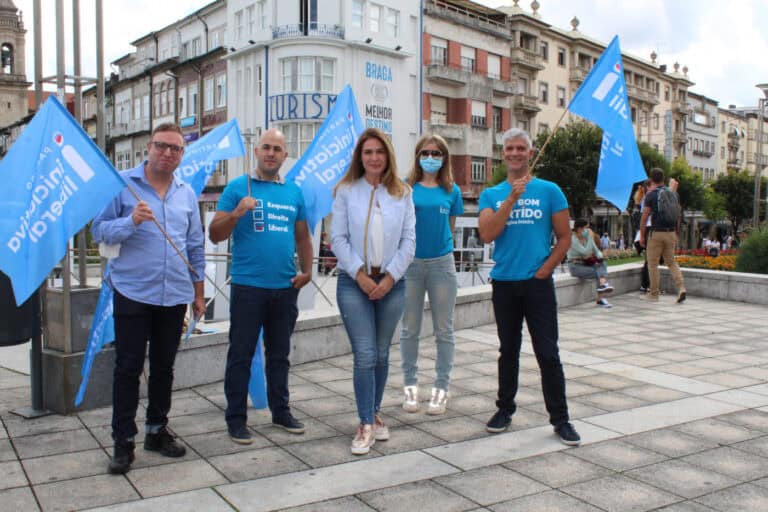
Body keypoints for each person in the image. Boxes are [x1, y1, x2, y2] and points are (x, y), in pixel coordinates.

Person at [92, 123, 206, 474]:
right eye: (161, 146)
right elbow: (99, 230)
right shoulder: (123, 185)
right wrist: (130, 222)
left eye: (176, 148)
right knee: (127, 367)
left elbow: (195, 245)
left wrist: (198, 293)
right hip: (133, 292)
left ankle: (157, 430)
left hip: (173, 294)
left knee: (164, 367)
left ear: (181, 154)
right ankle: (122, 441)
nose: (168, 153)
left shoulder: (186, 192)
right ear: (148, 147)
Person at [209, 128, 313, 444]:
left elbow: (302, 236)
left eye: (277, 149)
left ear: (284, 155)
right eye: (266, 147)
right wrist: (238, 212)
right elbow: (215, 234)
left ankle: (281, 412)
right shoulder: (238, 187)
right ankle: (236, 419)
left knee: (279, 354)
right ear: (257, 151)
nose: (271, 153)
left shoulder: (293, 192)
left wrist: (307, 271)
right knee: (240, 355)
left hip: (284, 288)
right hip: (248, 287)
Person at [477, 128, 580, 446]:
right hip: (505, 283)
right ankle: (504, 410)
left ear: (530, 153)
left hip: (537, 285)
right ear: (503, 153)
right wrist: (511, 198)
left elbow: (564, 238)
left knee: (548, 353)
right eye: (510, 148)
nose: (515, 153)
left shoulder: (550, 191)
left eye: (521, 148)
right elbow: (487, 234)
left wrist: (544, 271)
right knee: (507, 351)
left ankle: (560, 419)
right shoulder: (491, 195)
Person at [331, 128, 415, 455]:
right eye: (368, 152)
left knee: (381, 354)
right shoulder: (346, 191)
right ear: (360, 157)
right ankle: (365, 422)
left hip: (393, 284)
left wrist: (390, 278)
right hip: (354, 283)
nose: (374, 157)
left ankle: (375, 412)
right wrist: (361, 275)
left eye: (379, 151)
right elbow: (337, 239)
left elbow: (409, 241)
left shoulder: (403, 193)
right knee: (365, 354)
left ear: (388, 155)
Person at [399, 134, 464, 415]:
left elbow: (450, 227)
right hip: (410, 266)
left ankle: (441, 390)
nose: (431, 157)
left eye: (437, 153)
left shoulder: (452, 190)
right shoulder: (405, 188)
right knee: (409, 330)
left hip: (442, 265)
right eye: (426, 152)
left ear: (444, 158)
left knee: (444, 331)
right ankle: (410, 390)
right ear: (417, 155)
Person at [640, 168, 686, 303]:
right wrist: (676, 233)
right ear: (664, 178)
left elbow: (644, 217)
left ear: (652, 179)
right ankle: (682, 287)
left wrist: (642, 235)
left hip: (656, 234)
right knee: (671, 262)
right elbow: (678, 215)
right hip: (671, 232)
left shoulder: (651, 195)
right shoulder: (673, 194)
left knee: (652, 264)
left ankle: (654, 294)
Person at [567, 219, 614, 308]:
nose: (588, 230)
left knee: (603, 264)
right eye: (586, 228)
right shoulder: (572, 239)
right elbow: (585, 252)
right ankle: (600, 298)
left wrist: (600, 256)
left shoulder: (586, 235)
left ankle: (602, 286)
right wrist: (590, 238)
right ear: (579, 228)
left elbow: (595, 250)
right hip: (575, 266)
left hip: (585, 263)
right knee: (600, 274)